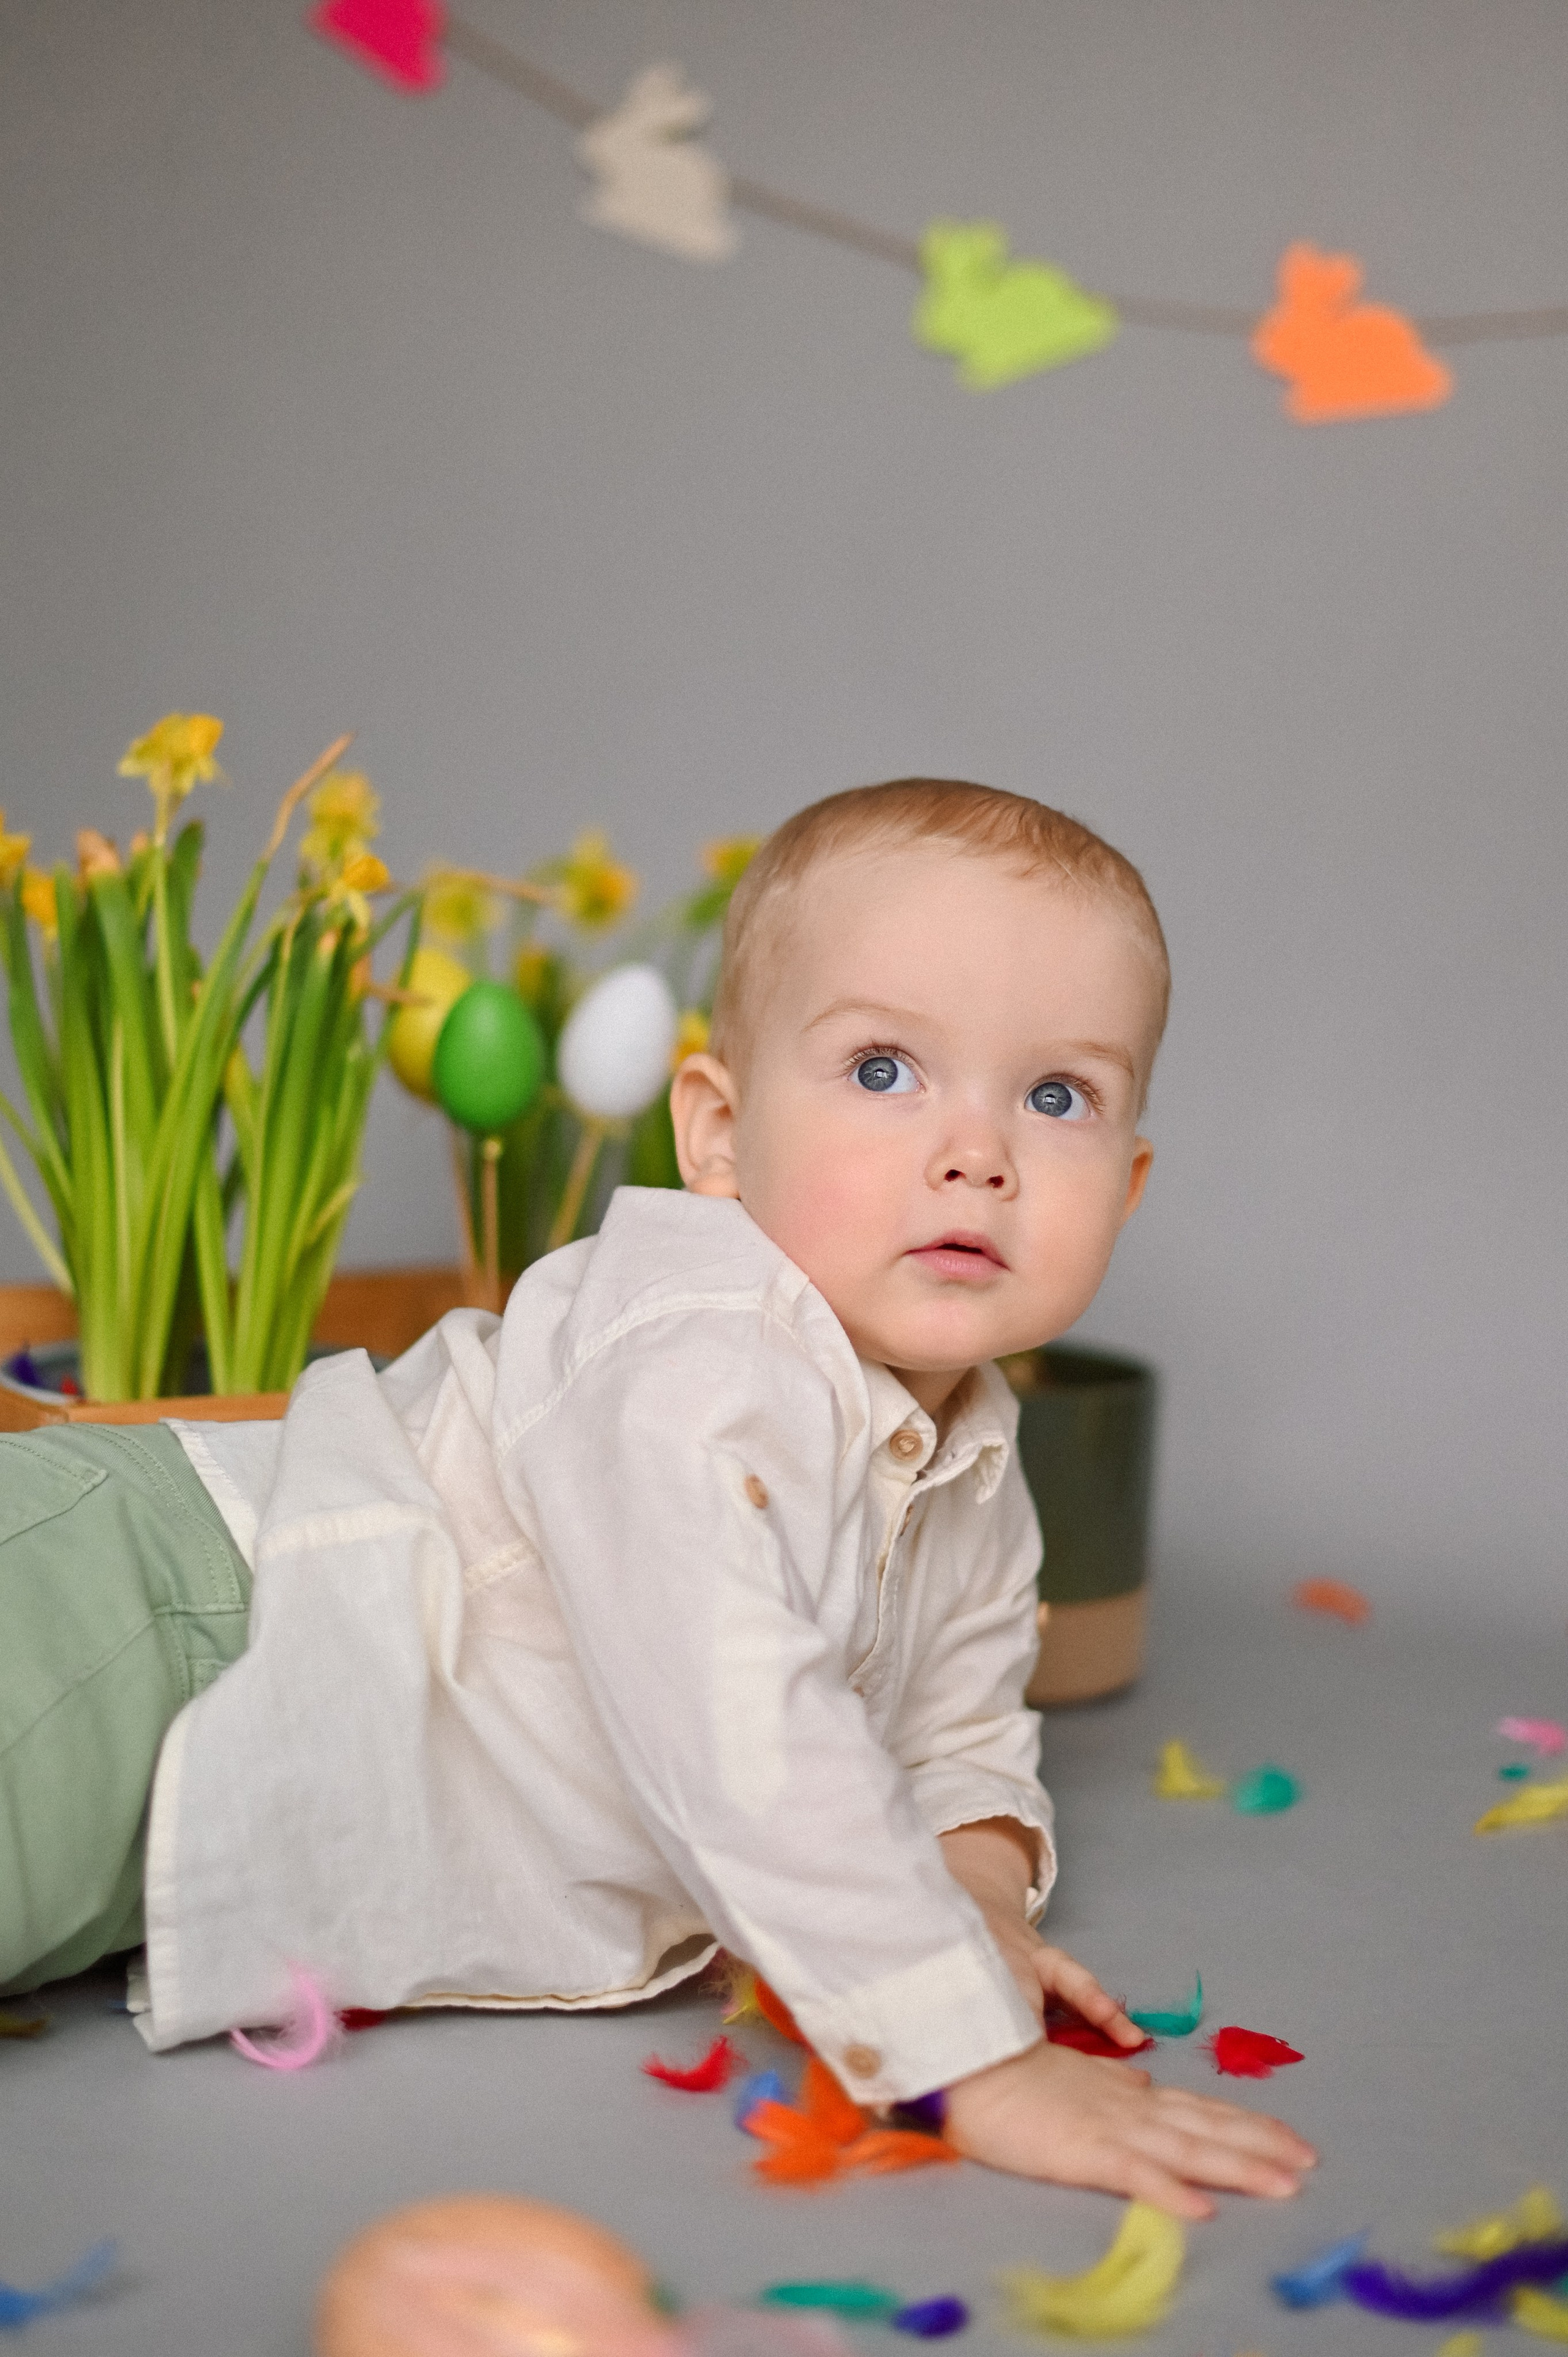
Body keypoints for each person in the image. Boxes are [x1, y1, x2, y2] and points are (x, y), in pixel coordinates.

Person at [0, 778, 1314, 2219]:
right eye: (883, 1068)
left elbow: (957, 1729)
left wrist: (976, 1905)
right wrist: (969, 2061)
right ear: (715, 1133)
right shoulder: (691, 1348)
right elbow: (729, 1705)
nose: (975, 1150)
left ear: (1122, 1190)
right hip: (163, 1606)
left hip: (218, 1747)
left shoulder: (970, 1454)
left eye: (1052, 1094)